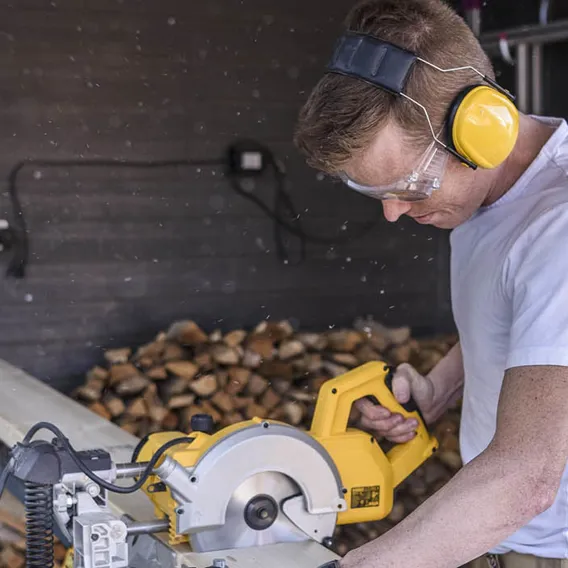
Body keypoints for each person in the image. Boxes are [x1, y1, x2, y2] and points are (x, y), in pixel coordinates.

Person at [293, 1, 568, 567]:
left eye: (410, 187)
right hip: (507, 539)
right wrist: (439, 389)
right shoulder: (486, 196)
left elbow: (526, 476)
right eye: (373, 193)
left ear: (483, 130)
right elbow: (536, 322)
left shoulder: (558, 227)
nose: (394, 213)